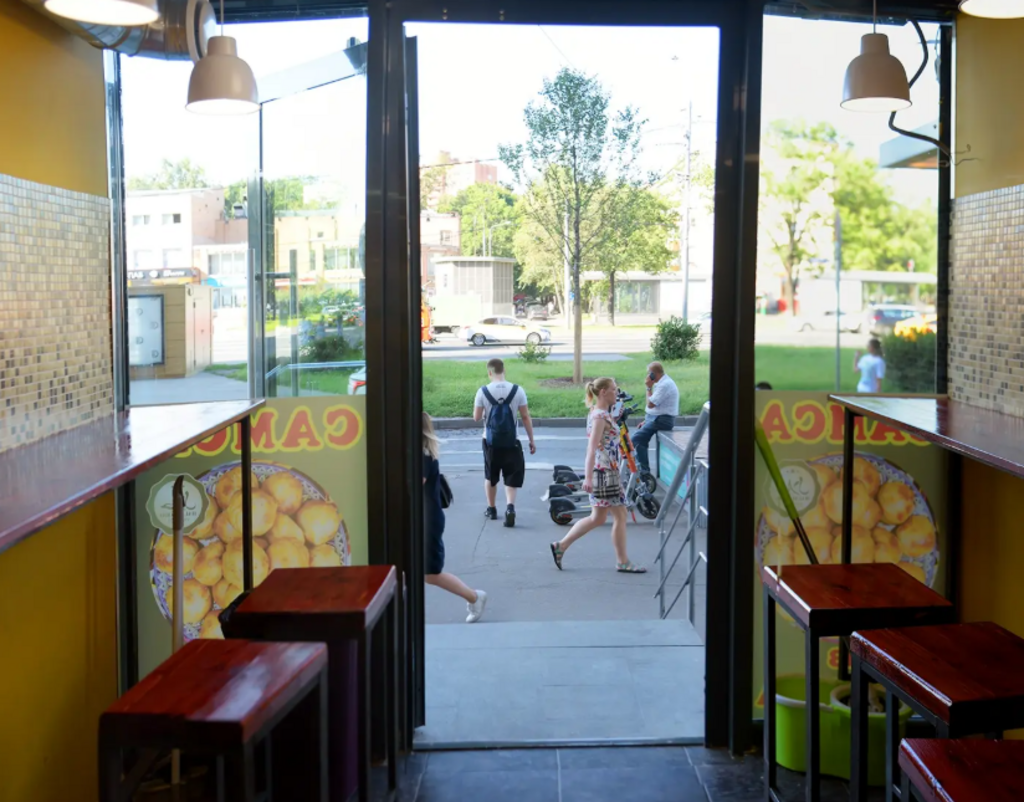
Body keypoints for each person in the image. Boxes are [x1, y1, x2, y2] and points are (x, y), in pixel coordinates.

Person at [549, 377, 646, 574]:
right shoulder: (600, 416)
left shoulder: (597, 412)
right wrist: (588, 478)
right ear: (603, 392)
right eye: (614, 389)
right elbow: (592, 448)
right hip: (605, 473)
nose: (616, 393)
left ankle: (561, 546)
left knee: (598, 518)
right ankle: (622, 561)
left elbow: (603, 441)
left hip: (605, 471)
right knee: (620, 515)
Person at [423, 412, 487, 623]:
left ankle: (474, 597)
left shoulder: (422, 455)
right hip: (421, 519)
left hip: (426, 522)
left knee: (431, 573)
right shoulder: (419, 452)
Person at [474, 358, 536, 528]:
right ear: (504, 370)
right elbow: (525, 417)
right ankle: (510, 508)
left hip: (490, 442)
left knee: (491, 476)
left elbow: (476, 417)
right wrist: (531, 440)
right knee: (511, 475)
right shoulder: (517, 390)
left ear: (489, 372)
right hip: (512, 441)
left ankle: (492, 509)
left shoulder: (483, 391)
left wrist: (486, 412)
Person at [631, 361, 679, 476]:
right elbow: (655, 407)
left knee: (637, 439)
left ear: (653, 374)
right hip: (655, 417)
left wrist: (648, 388)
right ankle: (640, 468)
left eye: (649, 373)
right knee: (638, 437)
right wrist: (646, 420)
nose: (647, 376)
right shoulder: (661, 382)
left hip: (663, 419)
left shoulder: (664, 385)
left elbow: (651, 404)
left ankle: (644, 472)